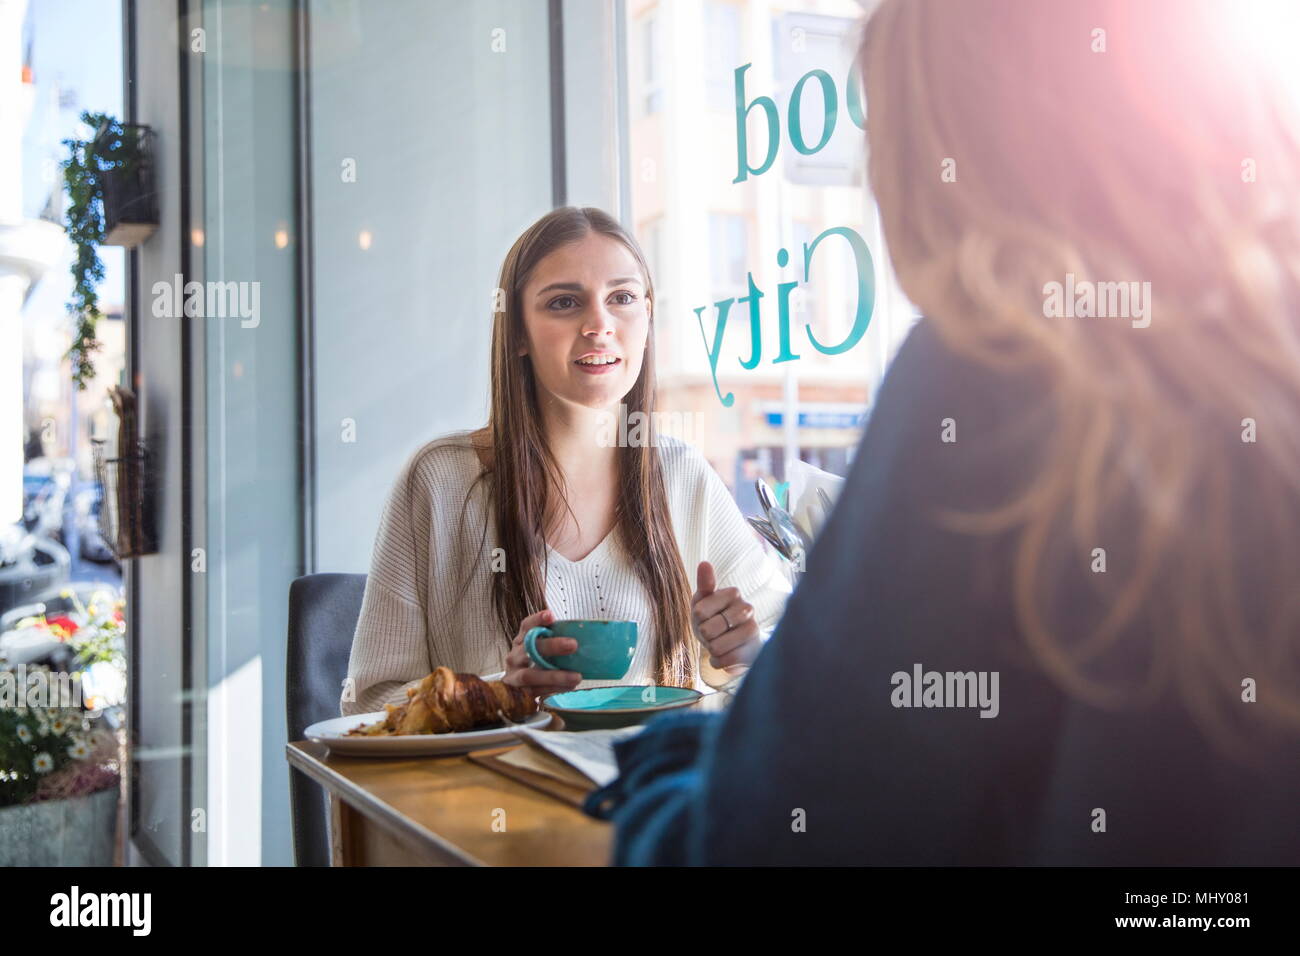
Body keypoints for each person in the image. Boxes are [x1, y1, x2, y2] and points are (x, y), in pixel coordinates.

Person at [585, 0, 1300, 864]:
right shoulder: (1255, 349)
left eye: (883, 138)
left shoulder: (995, 372)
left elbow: (775, 837)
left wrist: (667, 772)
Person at [341, 207, 791, 717]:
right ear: (516, 334)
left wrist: (733, 656)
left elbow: (787, 654)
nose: (599, 324)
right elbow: (367, 706)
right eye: (563, 303)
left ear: (647, 317)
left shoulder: (683, 476)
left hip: (646, 792)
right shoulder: (440, 482)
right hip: (500, 796)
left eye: (621, 298)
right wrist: (497, 695)